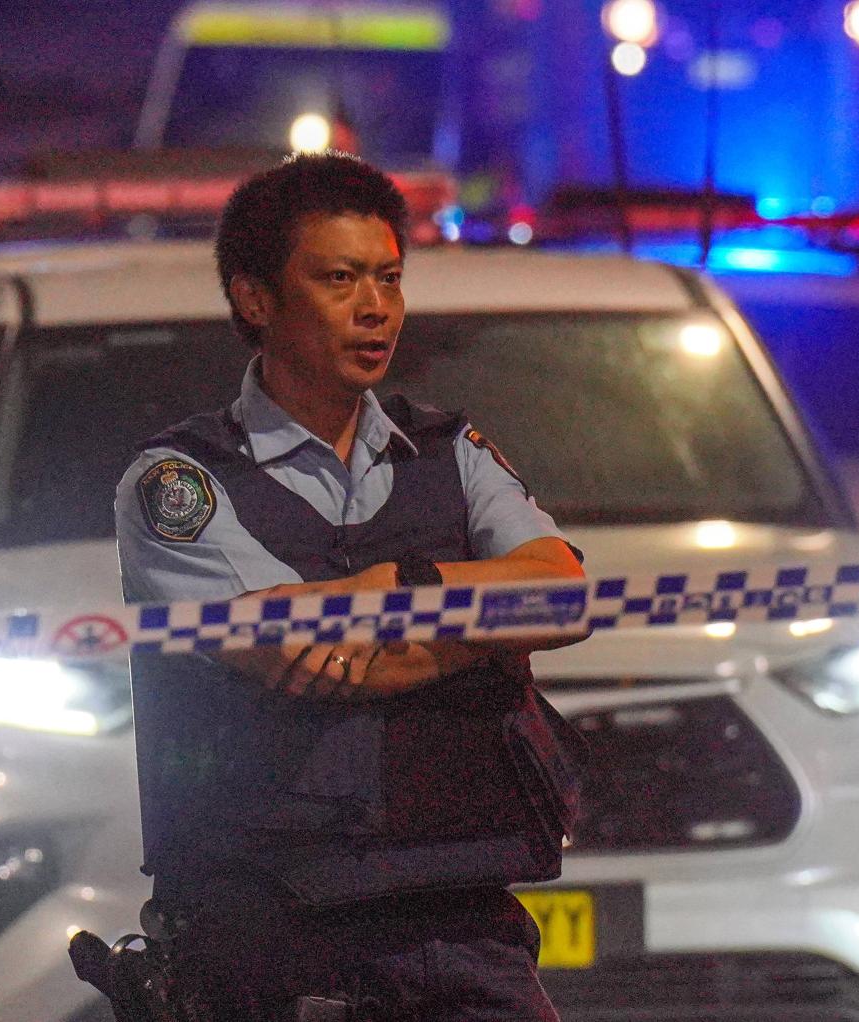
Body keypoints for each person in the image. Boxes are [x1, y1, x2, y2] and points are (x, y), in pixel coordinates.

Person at [113, 152, 587, 1021]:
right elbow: (308, 653)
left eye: (389, 278)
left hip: (464, 925)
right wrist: (486, 629)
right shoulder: (179, 483)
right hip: (271, 942)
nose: (376, 308)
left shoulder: (452, 451)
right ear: (255, 299)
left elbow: (561, 597)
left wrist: (396, 588)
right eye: (340, 279)